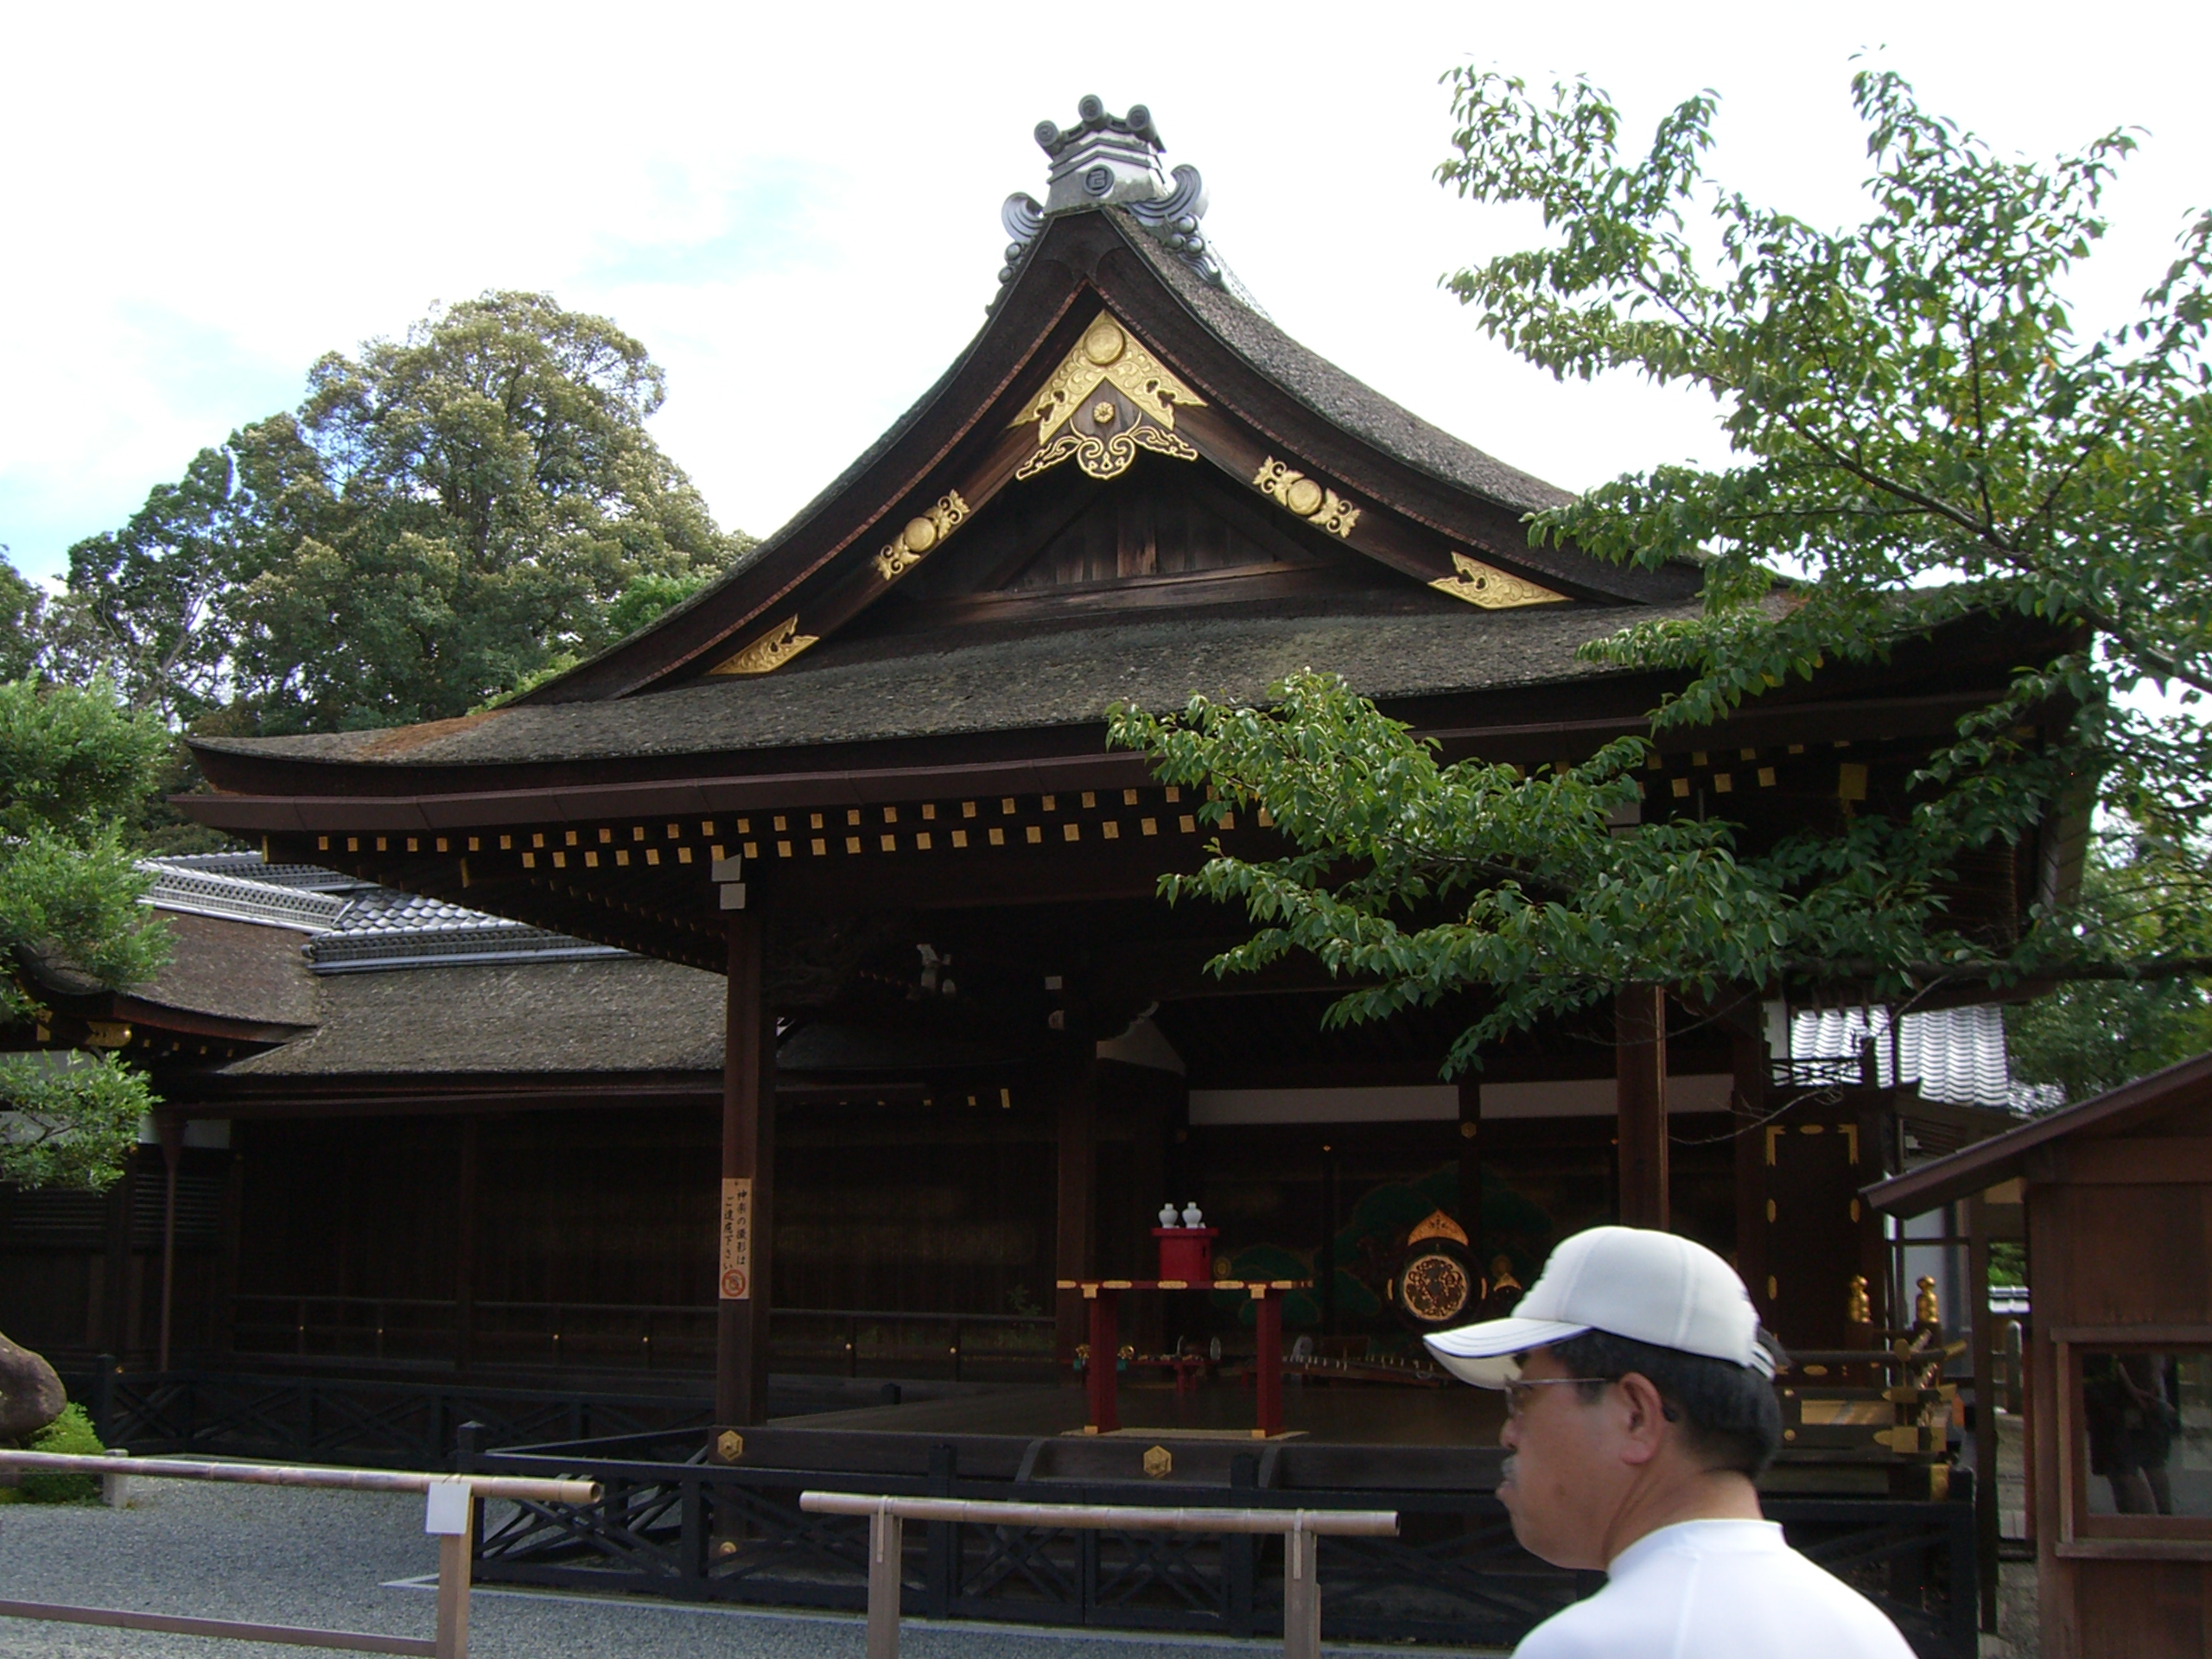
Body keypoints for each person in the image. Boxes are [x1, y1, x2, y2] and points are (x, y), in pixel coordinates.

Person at [1425, 1225, 1914, 1659]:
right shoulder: (1868, 1635)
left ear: (1636, 1415)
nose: (1509, 1433)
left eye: (1523, 1396)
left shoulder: (1591, 1646)